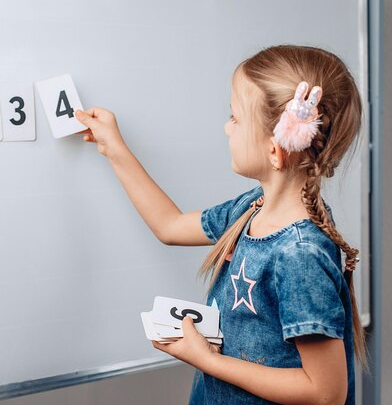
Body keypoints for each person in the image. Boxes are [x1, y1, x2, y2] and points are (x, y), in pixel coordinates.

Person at [75, 45, 367, 405]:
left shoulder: (298, 254)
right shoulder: (252, 207)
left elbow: (325, 393)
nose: (227, 128)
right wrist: (113, 147)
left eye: (235, 118)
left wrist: (208, 361)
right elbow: (171, 225)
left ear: (276, 150)